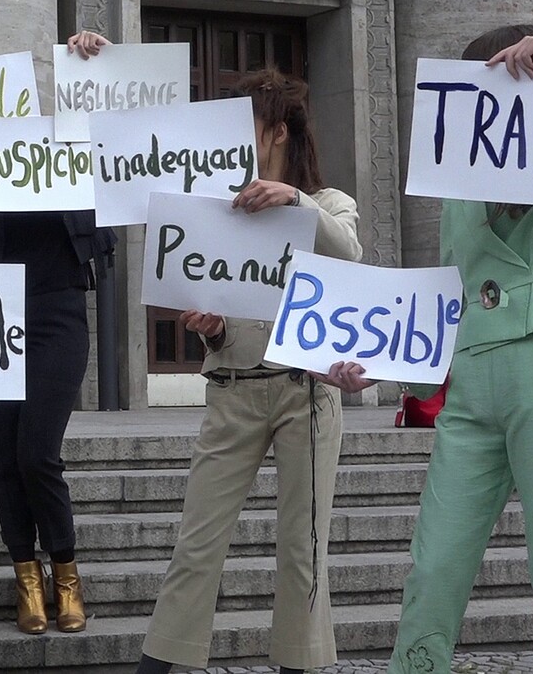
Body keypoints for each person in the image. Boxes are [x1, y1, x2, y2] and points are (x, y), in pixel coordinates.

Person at [326, 26, 533, 674]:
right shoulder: (459, 187)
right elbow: (448, 295)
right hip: (469, 383)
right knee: (434, 567)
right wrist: (380, 369)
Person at [126, 62, 362, 674]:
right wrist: (213, 328)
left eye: (245, 125)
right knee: (197, 541)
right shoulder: (216, 209)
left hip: (303, 393)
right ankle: (163, 661)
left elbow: (350, 251)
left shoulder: (327, 203)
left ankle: (299, 664)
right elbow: (222, 307)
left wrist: (294, 199)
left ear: (276, 131)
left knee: (302, 547)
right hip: (232, 389)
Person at [0, 33, 118, 635]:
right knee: (5, 458)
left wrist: (97, 59)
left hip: (59, 313)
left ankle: (65, 571)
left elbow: (126, 137)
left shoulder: (80, 153)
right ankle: (26, 580)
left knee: (37, 451)